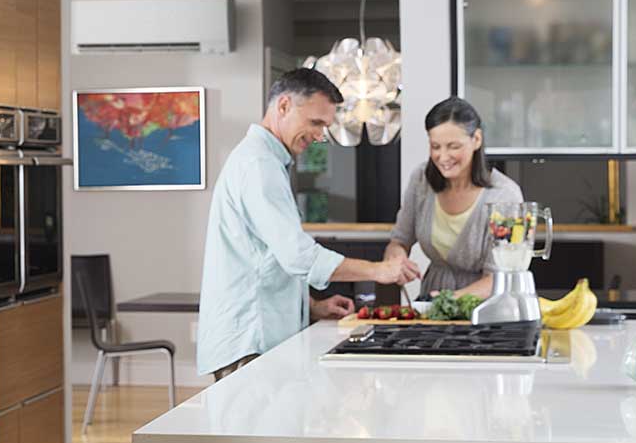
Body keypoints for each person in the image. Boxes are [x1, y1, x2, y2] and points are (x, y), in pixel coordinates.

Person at [197, 68, 421, 380]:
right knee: (255, 431)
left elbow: (265, 258)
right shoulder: (259, 165)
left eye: (325, 126)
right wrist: (379, 271)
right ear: (284, 106)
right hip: (251, 339)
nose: (319, 136)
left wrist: (312, 305)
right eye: (315, 123)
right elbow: (298, 256)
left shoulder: (263, 161)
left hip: (255, 334)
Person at [384, 96, 523, 300]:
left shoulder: (505, 195)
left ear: (476, 139)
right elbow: (399, 241)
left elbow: (501, 278)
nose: (443, 156)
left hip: (486, 309)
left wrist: (446, 301)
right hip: (433, 304)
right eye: (435, 146)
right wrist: (396, 261)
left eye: (453, 146)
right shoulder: (421, 180)